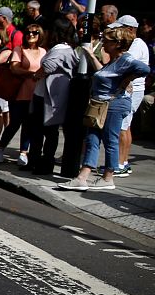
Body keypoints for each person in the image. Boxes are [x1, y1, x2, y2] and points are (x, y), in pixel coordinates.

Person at [58, 25, 150, 191]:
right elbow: (103, 73)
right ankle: (82, 177)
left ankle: (108, 177)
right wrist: (91, 55)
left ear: (117, 43)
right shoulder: (114, 61)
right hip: (101, 105)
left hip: (114, 104)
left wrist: (128, 78)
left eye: (107, 41)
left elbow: (145, 69)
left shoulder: (125, 59)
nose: (104, 44)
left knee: (110, 140)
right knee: (92, 139)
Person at [27, 18, 78, 175]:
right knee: (50, 132)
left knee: (40, 131)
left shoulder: (59, 50)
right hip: (54, 96)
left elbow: (48, 65)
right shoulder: (70, 49)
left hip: (46, 95)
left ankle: (38, 162)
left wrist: (37, 74)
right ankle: (43, 161)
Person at [0, 24, 47, 166]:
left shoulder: (43, 51)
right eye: (28, 32)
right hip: (20, 92)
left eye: (34, 32)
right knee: (15, 122)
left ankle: (23, 152)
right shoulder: (19, 50)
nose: (31, 35)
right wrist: (32, 74)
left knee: (30, 124)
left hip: (37, 92)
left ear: (39, 35)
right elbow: (15, 68)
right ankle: (0, 148)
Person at [113, 16, 148, 176]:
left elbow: (126, 66)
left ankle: (120, 164)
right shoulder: (135, 44)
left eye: (120, 28)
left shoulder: (136, 45)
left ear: (131, 29)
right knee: (125, 125)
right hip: (132, 88)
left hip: (133, 89)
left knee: (122, 126)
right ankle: (123, 162)